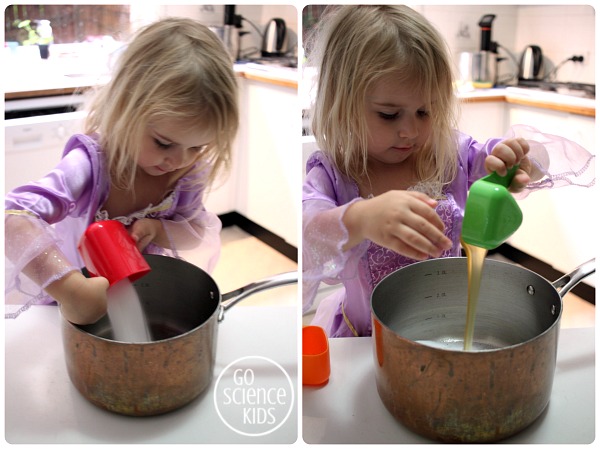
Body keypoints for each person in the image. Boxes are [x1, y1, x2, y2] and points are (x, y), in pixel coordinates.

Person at [302, 5, 542, 338]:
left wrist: (512, 159)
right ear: (342, 103)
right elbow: (308, 234)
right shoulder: (332, 174)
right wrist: (362, 218)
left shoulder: (449, 155)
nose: (410, 132)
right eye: (389, 114)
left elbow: (521, 163)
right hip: (367, 341)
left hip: (446, 330)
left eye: (425, 111)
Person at [5, 17, 239, 324]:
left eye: (197, 147)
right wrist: (71, 289)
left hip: (142, 284)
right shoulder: (91, 164)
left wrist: (156, 230)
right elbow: (14, 218)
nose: (179, 161)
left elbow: (193, 233)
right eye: (163, 143)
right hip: (74, 290)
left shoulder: (186, 174)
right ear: (125, 108)